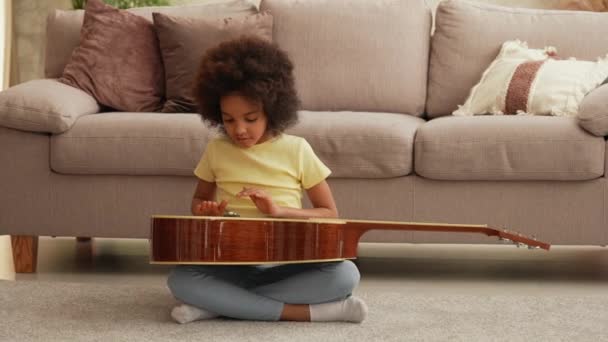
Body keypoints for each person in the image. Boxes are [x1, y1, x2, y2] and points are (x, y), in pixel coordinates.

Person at [166, 36, 368, 324]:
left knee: (346, 275)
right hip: (230, 261)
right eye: (228, 119)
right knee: (180, 280)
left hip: (286, 261)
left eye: (250, 118)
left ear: (272, 110)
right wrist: (204, 211)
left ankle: (219, 304)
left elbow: (329, 213)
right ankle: (308, 313)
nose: (239, 130)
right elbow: (199, 201)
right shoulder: (216, 150)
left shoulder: (297, 149)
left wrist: (278, 211)